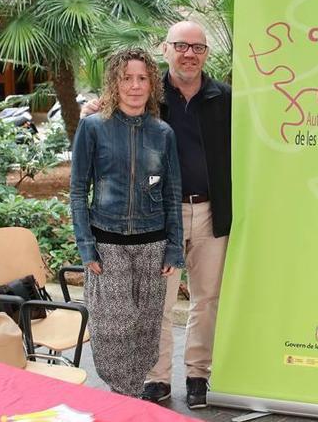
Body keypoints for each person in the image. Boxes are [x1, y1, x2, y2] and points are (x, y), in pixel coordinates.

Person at [82, 21, 232, 409]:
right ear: (166, 50)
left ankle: (198, 374)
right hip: (160, 215)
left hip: (211, 212)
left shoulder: (225, 99)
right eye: (181, 45)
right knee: (158, 302)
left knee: (207, 298)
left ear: (206, 54)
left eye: (197, 47)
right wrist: (96, 108)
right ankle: (157, 377)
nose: (189, 54)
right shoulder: (150, 93)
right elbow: (111, 126)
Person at [70, 48, 183, 397]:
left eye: (142, 78)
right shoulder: (93, 128)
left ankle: (129, 400)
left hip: (153, 246)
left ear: (152, 84)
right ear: (114, 84)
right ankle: (123, 397)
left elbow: (171, 193)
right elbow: (77, 191)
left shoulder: (163, 133)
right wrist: (86, 245)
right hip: (107, 246)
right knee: (112, 330)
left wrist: (174, 248)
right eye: (126, 78)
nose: (134, 86)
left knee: (146, 331)